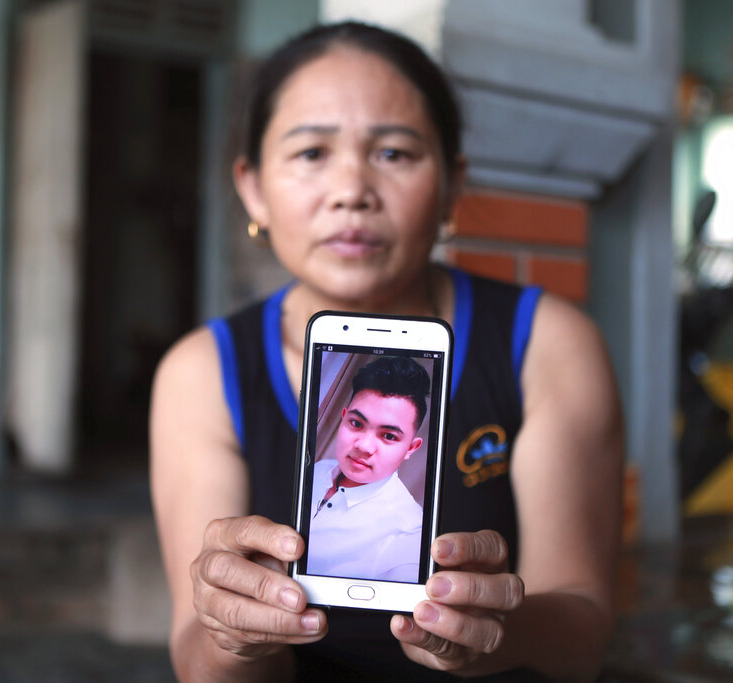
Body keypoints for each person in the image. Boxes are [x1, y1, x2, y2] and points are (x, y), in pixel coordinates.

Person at [150, 20, 623, 682]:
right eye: (311, 153)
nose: (352, 191)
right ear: (253, 187)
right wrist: (233, 634)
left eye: (395, 153)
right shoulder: (200, 373)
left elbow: (582, 635)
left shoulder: (550, 344)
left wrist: (494, 629)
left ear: (453, 186)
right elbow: (198, 662)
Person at [307, 355, 430, 583]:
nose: (363, 446)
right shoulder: (317, 471)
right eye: (356, 424)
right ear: (344, 418)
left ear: (410, 448)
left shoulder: (410, 532)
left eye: (388, 436)